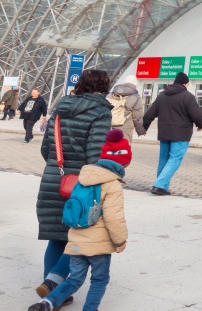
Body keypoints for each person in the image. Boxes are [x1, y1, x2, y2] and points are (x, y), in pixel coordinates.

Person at [34, 69, 113, 307]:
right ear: (103, 86)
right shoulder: (100, 111)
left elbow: (46, 148)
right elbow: (95, 156)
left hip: (54, 179)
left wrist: (58, 167)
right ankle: (54, 284)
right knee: (81, 236)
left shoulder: (61, 107)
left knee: (57, 237)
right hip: (81, 185)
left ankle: (53, 294)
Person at [30, 129, 131, 311]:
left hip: (76, 241)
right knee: (99, 279)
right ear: (124, 163)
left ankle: (47, 302)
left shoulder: (82, 179)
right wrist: (120, 241)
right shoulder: (112, 184)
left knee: (74, 279)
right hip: (98, 245)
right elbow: (113, 218)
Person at [141, 72, 202, 195]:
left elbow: (150, 113)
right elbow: (196, 114)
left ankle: (163, 187)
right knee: (175, 158)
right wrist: (200, 125)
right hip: (181, 134)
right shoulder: (188, 97)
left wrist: (144, 127)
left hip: (164, 133)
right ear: (185, 84)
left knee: (164, 159)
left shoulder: (162, 95)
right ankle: (159, 184)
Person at [107, 75, 146, 141]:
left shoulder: (111, 94)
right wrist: (141, 130)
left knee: (110, 145)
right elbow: (137, 116)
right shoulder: (136, 97)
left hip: (109, 125)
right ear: (135, 84)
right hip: (125, 127)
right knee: (123, 146)